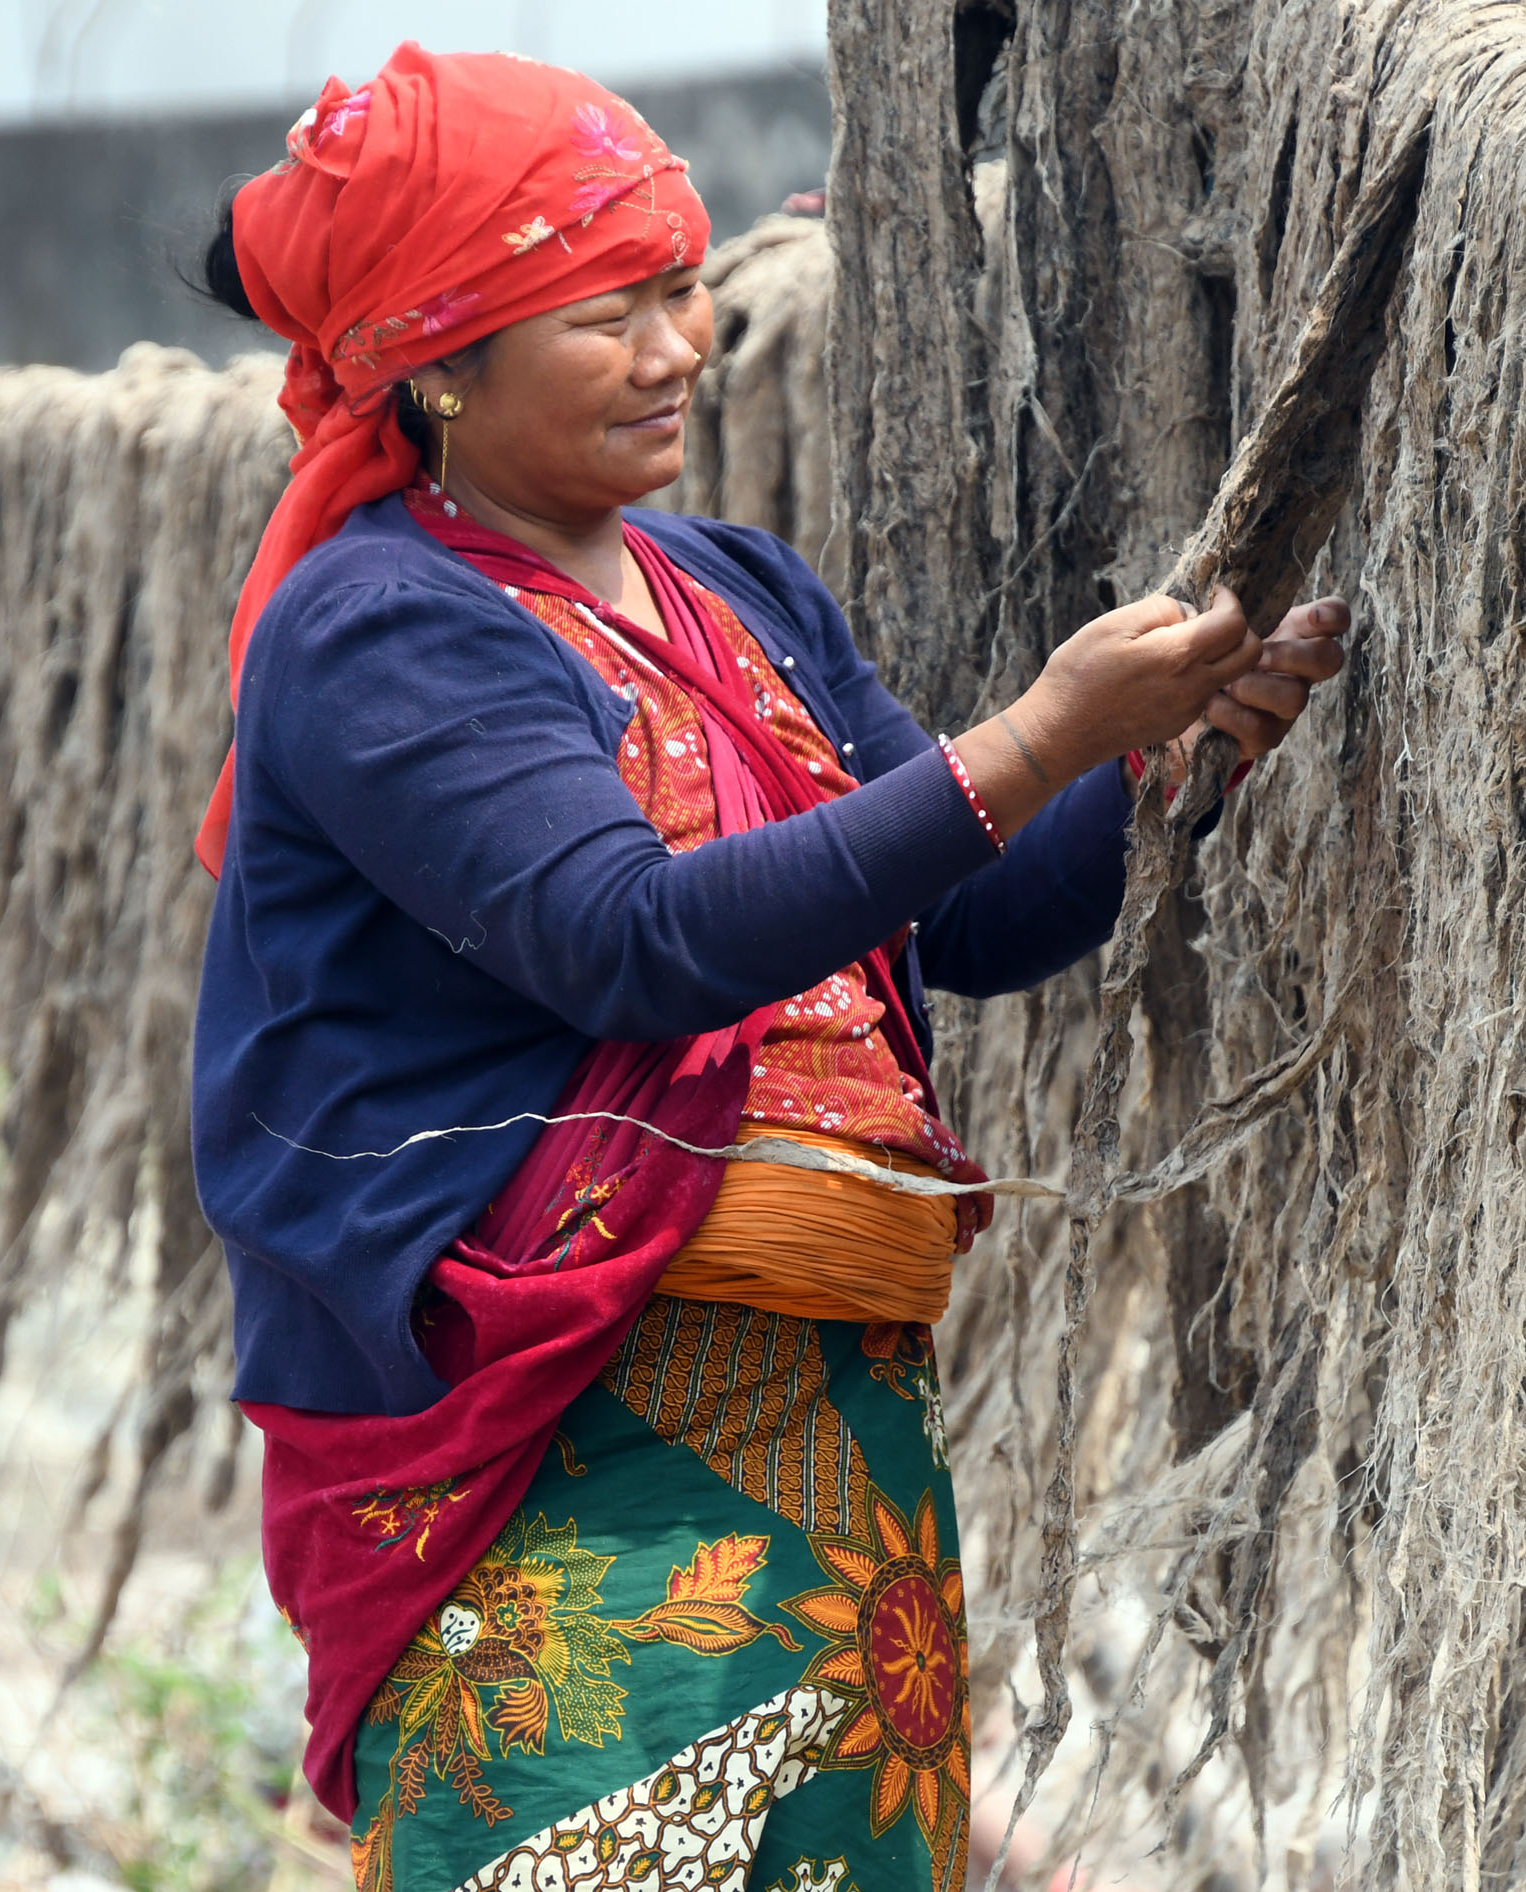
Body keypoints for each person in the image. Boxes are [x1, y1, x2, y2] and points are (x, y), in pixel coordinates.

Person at [189, 44, 1350, 1892]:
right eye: (609, 311)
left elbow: (960, 918)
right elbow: (632, 943)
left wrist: (1162, 756)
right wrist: (1042, 735)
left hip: (840, 1443)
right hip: (566, 1456)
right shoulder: (382, 627)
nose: (678, 347)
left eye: (681, 288)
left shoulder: (734, 593)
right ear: (439, 362)